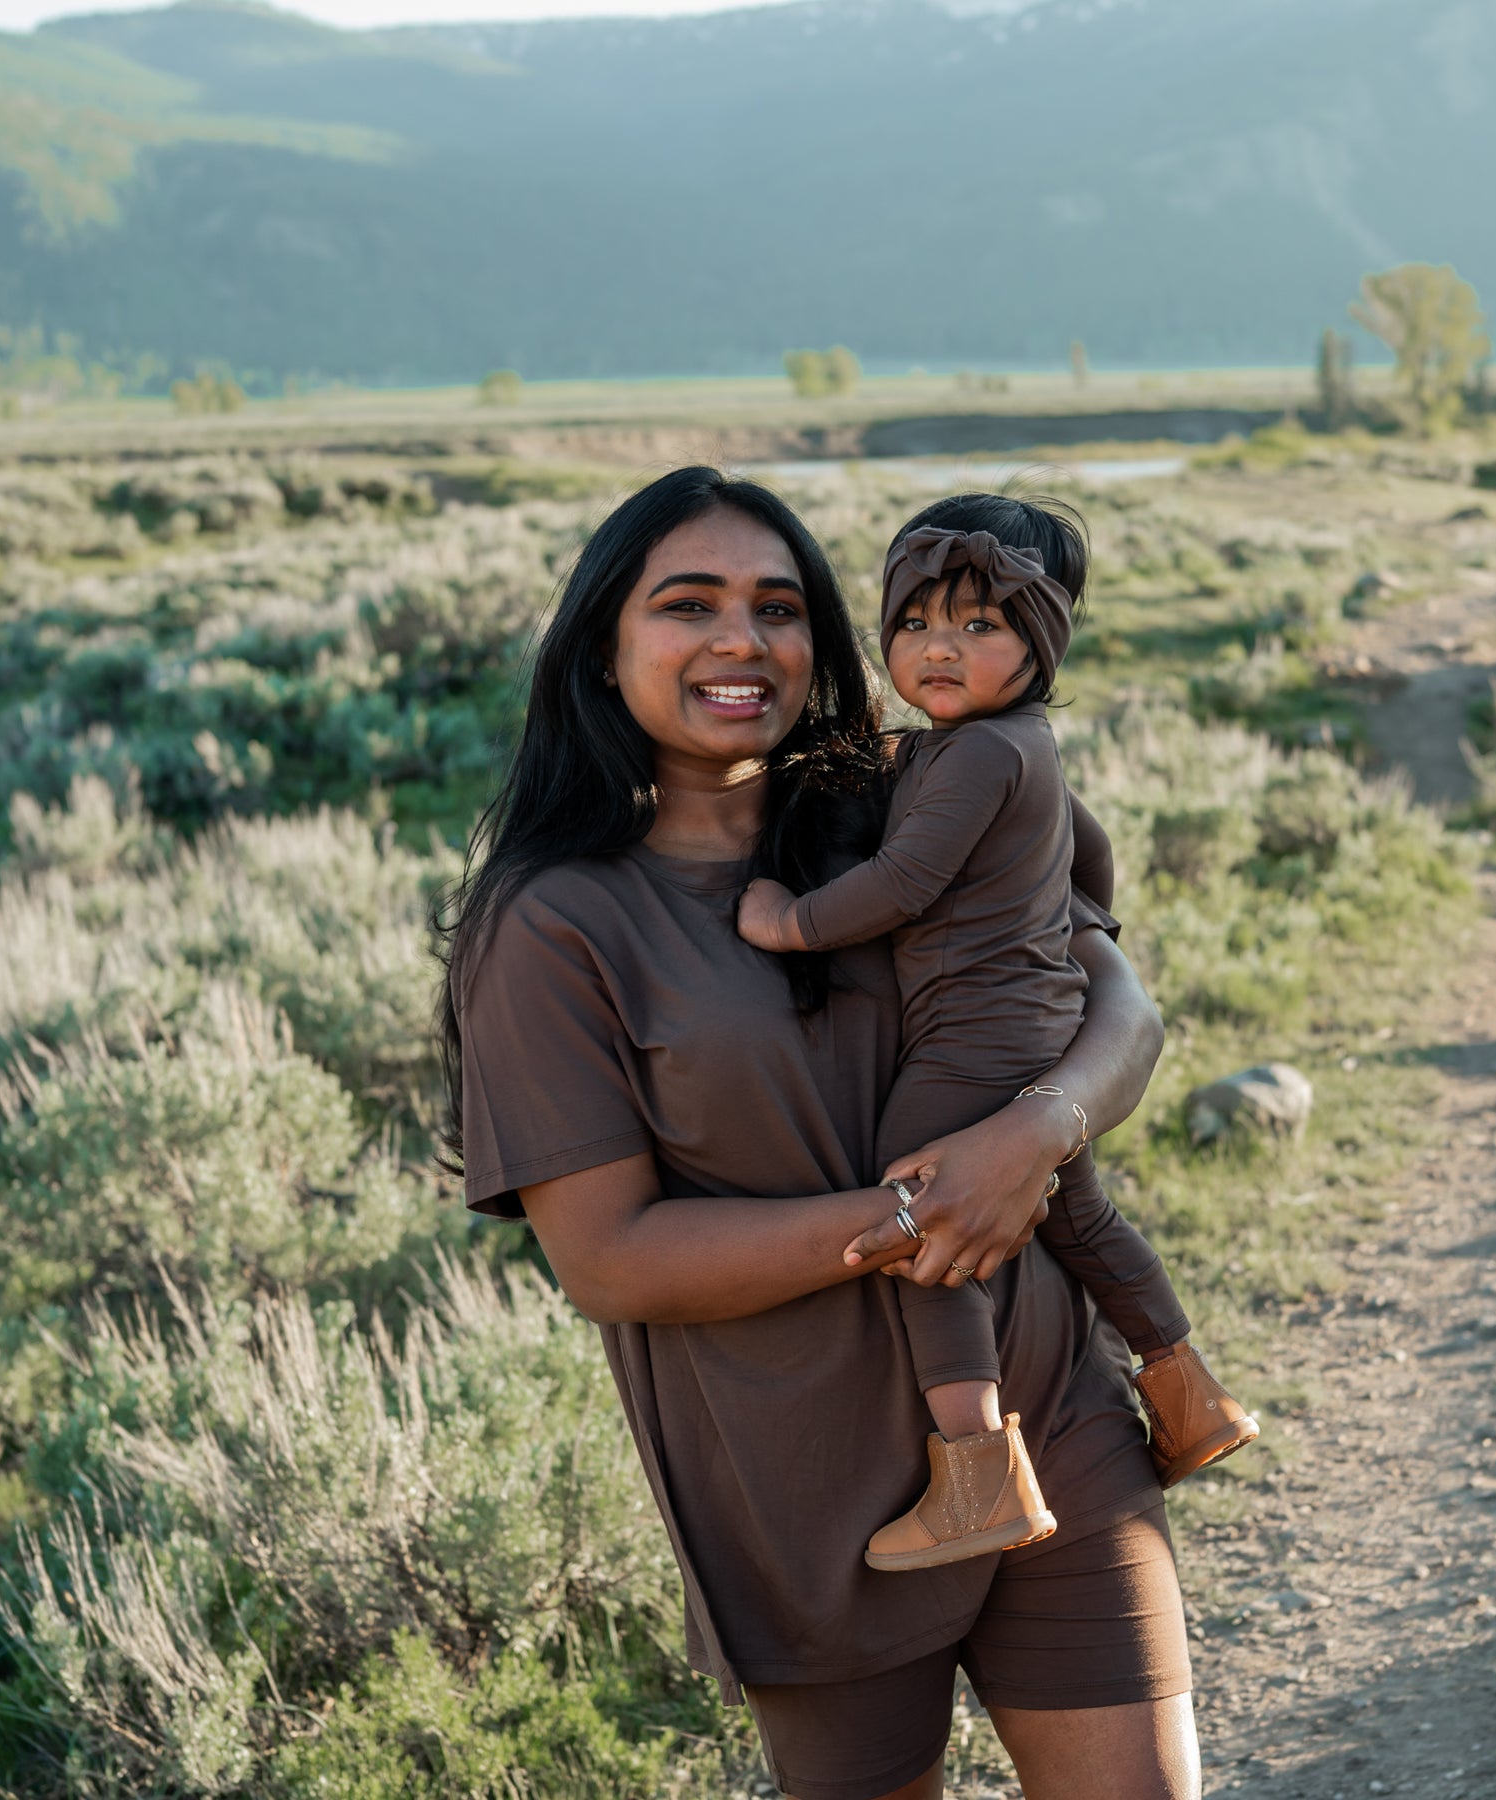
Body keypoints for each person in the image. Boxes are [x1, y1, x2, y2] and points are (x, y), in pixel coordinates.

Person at [441, 467, 1203, 1800]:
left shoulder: (902, 805)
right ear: (604, 645)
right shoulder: (553, 925)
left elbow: (1117, 999)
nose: (742, 640)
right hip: (803, 1497)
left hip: (1049, 1417)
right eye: (690, 605)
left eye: (780, 607)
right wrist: (922, 1213)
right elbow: (611, 1260)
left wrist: (1037, 1134)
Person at [735, 498, 1256, 1574]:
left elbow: (905, 880)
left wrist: (788, 921)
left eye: (981, 627)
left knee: (926, 1234)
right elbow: (1090, 854)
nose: (939, 647)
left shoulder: (978, 757)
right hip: (1033, 1025)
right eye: (917, 622)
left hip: (971, 1040)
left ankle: (974, 1475)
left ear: (1044, 643)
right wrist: (1071, 927)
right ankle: (1187, 1393)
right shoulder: (997, 747)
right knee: (1081, 1213)